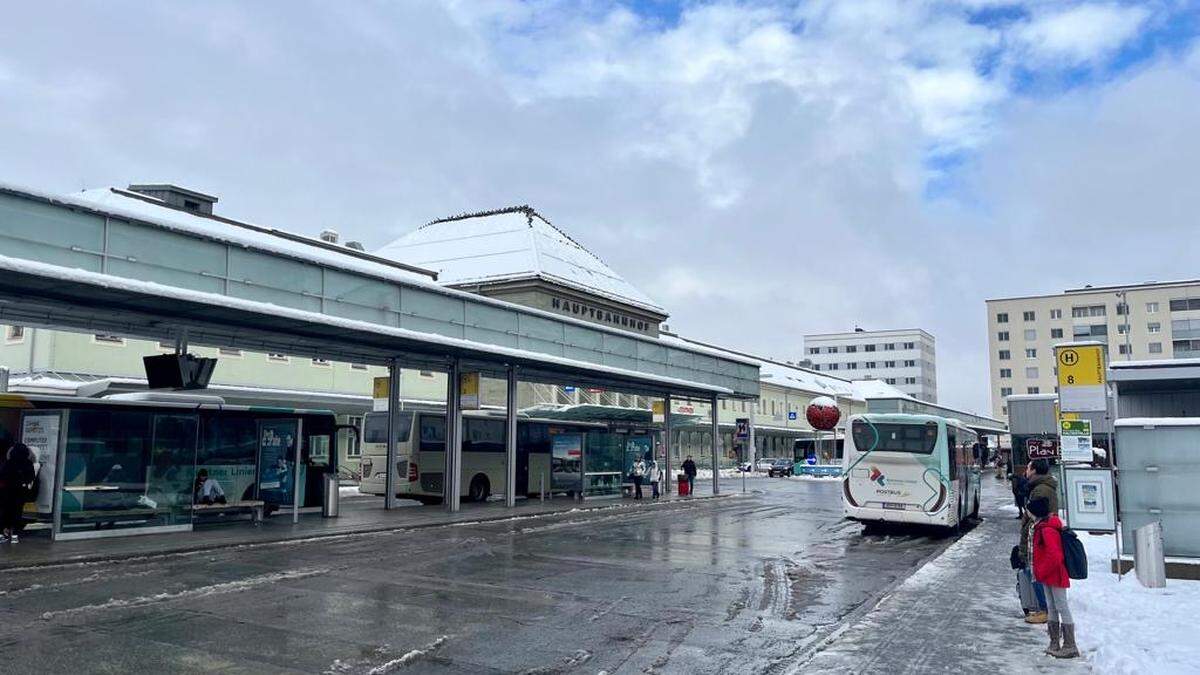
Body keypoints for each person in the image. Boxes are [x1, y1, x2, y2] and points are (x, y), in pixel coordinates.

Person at [1029, 496, 1079, 659]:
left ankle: (1070, 645)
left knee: (1061, 606)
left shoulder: (1047, 530)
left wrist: (1041, 570)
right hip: (1048, 574)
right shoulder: (1043, 527)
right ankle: (1054, 642)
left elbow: (1054, 556)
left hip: (1055, 574)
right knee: (1052, 606)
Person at [0, 443, 36, 543]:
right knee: (17, 513)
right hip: (20, 491)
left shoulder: (9, 462)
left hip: (7, 491)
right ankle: (15, 535)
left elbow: (2, 475)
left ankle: (3, 533)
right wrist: (23, 482)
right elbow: (31, 477)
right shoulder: (28, 463)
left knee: (5, 512)